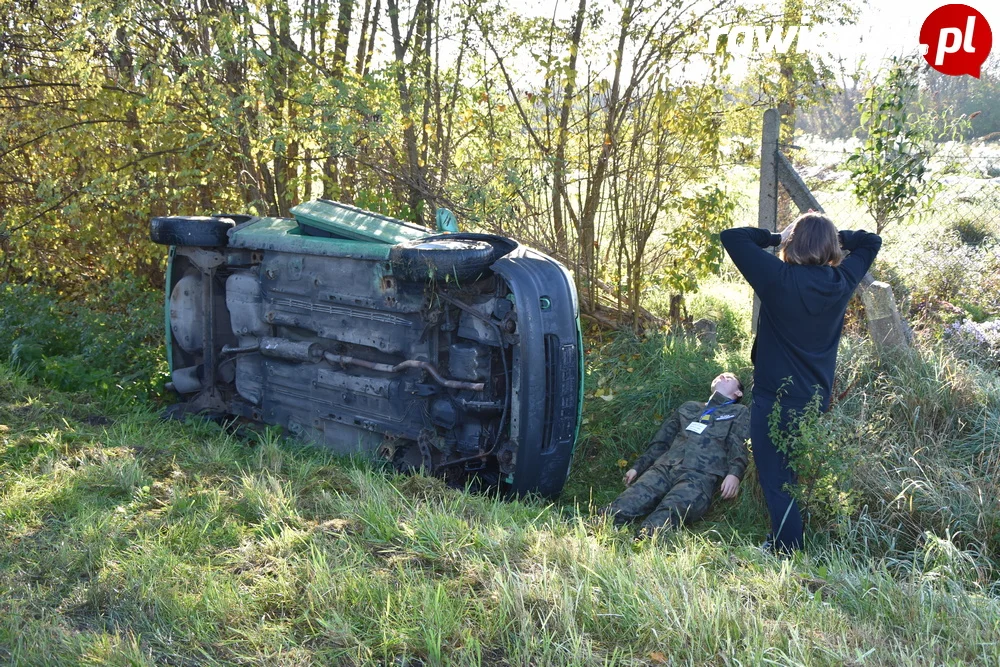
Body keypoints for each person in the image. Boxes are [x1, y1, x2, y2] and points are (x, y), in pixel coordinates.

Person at [720, 213, 882, 553]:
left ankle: (785, 549)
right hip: (814, 399)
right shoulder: (842, 281)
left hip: (774, 398)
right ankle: (784, 538)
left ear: (795, 243)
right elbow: (871, 242)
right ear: (831, 247)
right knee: (790, 473)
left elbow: (733, 236)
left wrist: (778, 237)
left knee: (777, 479)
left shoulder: (777, 278)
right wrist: (837, 236)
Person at [605, 373, 750, 537]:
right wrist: (638, 467)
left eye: (729, 378)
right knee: (624, 504)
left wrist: (735, 474)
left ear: (738, 393)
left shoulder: (738, 411)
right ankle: (596, 530)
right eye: (720, 375)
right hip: (664, 468)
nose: (722, 376)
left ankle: (643, 540)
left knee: (667, 514)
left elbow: (739, 443)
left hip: (698, 476)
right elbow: (661, 441)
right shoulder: (689, 407)